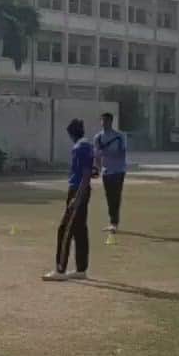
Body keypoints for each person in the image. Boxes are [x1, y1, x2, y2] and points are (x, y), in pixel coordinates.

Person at [44, 118, 94, 281]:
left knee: (64, 229)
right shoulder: (87, 145)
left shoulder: (80, 147)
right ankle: (81, 269)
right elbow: (92, 170)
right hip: (82, 189)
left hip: (78, 190)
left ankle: (60, 269)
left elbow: (87, 173)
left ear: (72, 134)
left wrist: (77, 197)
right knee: (79, 229)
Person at [93, 112, 128, 233]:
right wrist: (97, 169)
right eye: (102, 120)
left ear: (111, 122)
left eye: (106, 121)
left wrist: (107, 152)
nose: (104, 123)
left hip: (118, 171)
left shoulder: (119, 136)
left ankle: (114, 223)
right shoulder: (98, 137)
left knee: (116, 196)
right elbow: (97, 156)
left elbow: (121, 154)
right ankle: (112, 222)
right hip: (106, 171)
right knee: (109, 197)